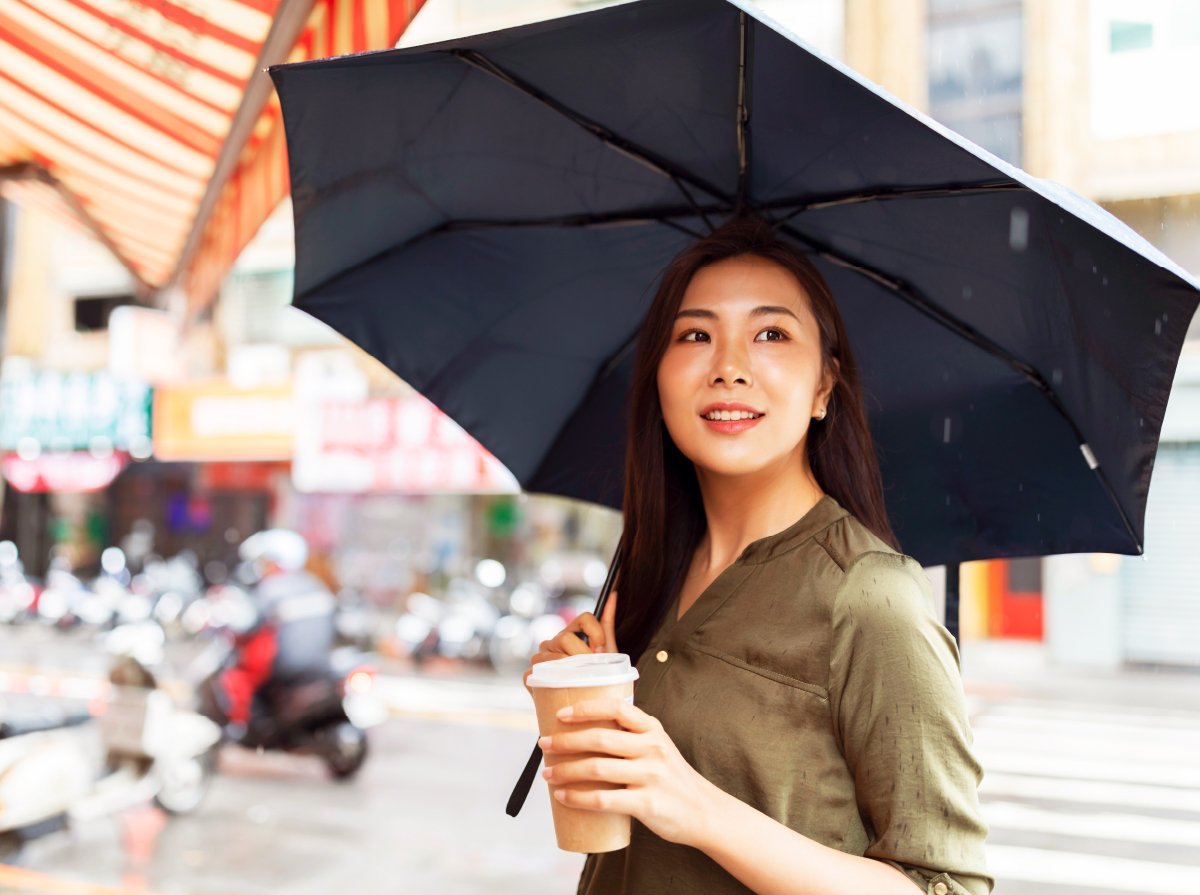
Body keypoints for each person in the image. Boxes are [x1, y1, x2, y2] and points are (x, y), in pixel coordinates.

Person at [524, 217, 992, 895]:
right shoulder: (650, 573)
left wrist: (698, 807)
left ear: (826, 386)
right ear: (657, 375)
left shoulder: (870, 596)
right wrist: (581, 693)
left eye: (771, 333)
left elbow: (950, 888)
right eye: (694, 334)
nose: (729, 366)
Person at [219, 529, 337, 731]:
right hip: (320, 670)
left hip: (284, 672)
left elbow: (247, 624)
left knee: (237, 680)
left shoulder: (272, 588)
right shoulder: (315, 584)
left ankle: (242, 729)